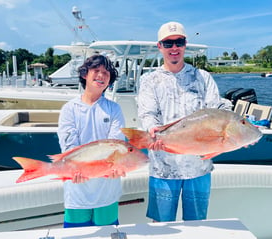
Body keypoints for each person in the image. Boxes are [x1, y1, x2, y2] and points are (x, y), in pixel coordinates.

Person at [138, 21, 228, 222]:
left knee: (196, 225)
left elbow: (218, 111)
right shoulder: (149, 80)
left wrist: (241, 131)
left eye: (178, 42)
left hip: (198, 167)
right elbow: (147, 114)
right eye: (168, 44)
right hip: (163, 166)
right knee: (162, 228)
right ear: (159, 46)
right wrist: (152, 131)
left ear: (185, 44)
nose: (174, 48)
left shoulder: (203, 77)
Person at [57, 54, 125, 228]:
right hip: (76, 190)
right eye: (96, 71)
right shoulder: (69, 109)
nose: (101, 75)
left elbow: (116, 146)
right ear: (85, 74)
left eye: (106, 73)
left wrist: (116, 166)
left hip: (107, 190)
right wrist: (77, 169)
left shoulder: (114, 109)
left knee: (107, 234)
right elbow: (69, 147)